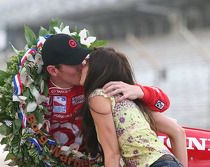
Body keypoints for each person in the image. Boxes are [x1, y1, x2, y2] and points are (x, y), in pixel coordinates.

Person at [41, 33, 171, 151]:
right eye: (74, 63)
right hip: (54, 158)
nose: (82, 66)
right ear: (53, 70)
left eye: (81, 58)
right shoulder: (35, 94)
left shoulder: (96, 82)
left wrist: (140, 91)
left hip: (98, 156)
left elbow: (163, 103)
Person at [79, 47, 187, 167]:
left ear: (97, 68)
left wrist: (142, 91)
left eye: (85, 63)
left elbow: (112, 154)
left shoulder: (98, 96)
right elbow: (178, 131)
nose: (81, 67)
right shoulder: (131, 99)